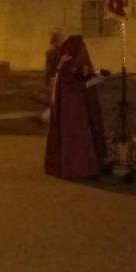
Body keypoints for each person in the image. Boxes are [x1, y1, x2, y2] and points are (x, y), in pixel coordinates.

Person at [45, 36, 110, 180]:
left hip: (78, 109)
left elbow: (77, 78)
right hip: (72, 112)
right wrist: (88, 81)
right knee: (76, 139)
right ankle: (77, 168)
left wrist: (90, 75)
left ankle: (84, 167)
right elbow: (70, 87)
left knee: (80, 138)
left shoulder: (70, 65)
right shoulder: (64, 67)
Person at [38, 30, 66, 123]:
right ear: (56, 42)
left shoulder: (53, 52)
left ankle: (46, 117)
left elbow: (47, 67)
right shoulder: (56, 53)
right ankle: (44, 117)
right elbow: (50, 67)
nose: (63, 41)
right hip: (55, 78)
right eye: (61, 39)